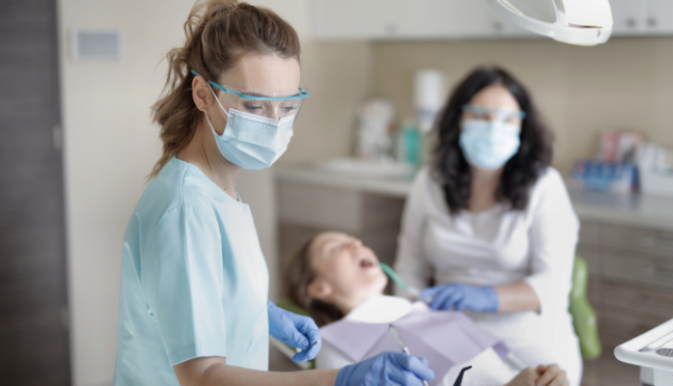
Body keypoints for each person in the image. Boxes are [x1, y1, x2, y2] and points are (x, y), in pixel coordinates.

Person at [113, 1, 434, 385]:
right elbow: (203, 378)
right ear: (201, 94)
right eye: (253, 105)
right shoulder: (187, 209)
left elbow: (200, 290)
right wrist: (340, 380)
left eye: (286, 106)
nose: (273, 123)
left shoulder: (220, 190)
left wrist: (259, 312)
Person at [394, 67, 582, 385]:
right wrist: (412, 321)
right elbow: (408, 270)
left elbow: (552, 285)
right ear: (458, 120)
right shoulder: (429, 183)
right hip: (449, 334)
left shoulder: (544, 186)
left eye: (507, 118)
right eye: (481, 116)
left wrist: (483, 297)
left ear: (523, 125)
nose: (494, 127)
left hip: (527, 336)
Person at [284, 231, 570, 386]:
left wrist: (545, 379)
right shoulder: (334, 343)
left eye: (356, 240)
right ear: (319, 288)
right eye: (336, 248)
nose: (356, 244)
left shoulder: (427, 310)